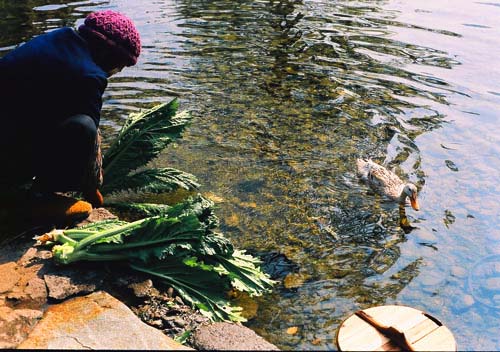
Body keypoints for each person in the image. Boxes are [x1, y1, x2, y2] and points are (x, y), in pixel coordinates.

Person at [0, 10, 141, 221]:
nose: (118, 71)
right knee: (83, 126)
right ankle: (33, 199)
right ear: (106, 53)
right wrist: (92, 190)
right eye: (120, 65)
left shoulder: (56, 37)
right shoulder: (90, 74)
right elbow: (88, 138)